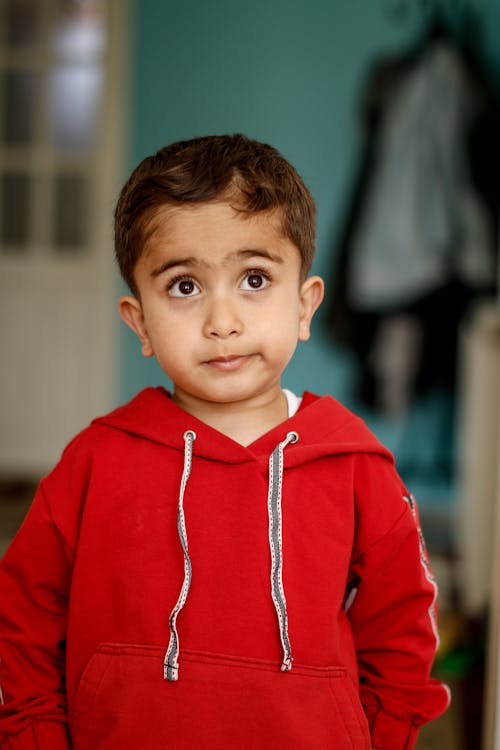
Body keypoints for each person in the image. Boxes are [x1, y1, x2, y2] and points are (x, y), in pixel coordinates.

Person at [0, 133, 449, 749]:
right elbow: (20, 622)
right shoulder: (94, 462)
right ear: (140, 322)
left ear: (304, 305)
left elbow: (402, 639)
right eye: (185, 286)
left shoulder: (357, 468)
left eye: (255, 280)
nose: (223, 321)